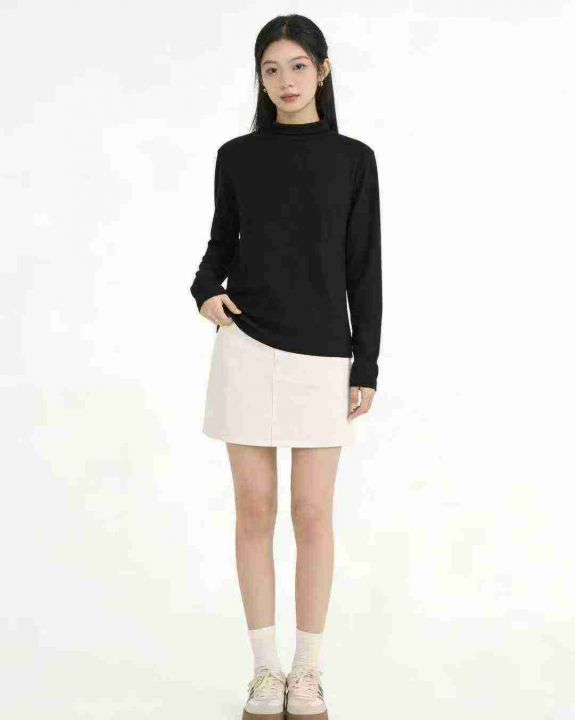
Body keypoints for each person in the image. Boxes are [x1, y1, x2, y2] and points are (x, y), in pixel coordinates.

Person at [190, 14, 382, 720]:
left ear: (322, 71)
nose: (285, 81)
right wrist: (204, 291)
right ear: (260, 79)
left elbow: (364, 266)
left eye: (298, 66)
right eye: (271, 69)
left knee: (312, 514)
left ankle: (308, 672)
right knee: (254, 511)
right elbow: (220, 244)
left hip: (324, 353)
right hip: (245, 346)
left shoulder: (353, 159)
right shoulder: (236, 156)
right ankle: (264, 672)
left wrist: (366, 362)